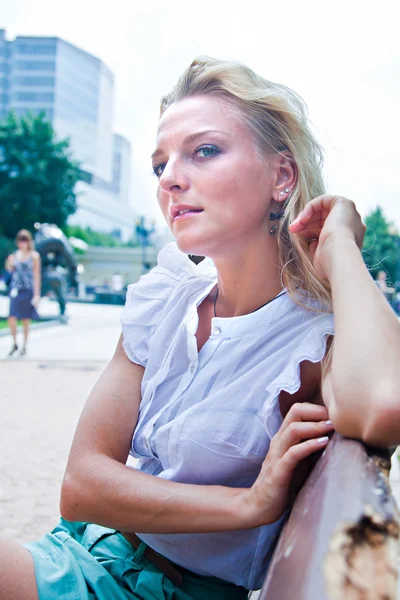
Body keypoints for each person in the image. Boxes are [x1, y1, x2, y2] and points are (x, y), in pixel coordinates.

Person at [1, 57, 400, 600]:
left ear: (282, 176)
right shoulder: (164, 296)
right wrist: (247, 504)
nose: (169, 178)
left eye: (204, 151)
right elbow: (81, 486)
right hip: (89, 550)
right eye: (160, 164)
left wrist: (340, 246)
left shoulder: (315, 337)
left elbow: (384, 403)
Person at [4, 229, 41, 357]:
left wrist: (37, 295)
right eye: (20, 240)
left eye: (24, 240)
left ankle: (24, 345)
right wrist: (8, 264)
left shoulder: (34, 256)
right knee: (11, 317)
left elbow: (37, 276)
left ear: (29, 241)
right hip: (16, 289)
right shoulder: (14, 256)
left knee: (25, 319)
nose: (22, 243)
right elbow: (10, 271)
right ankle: (15, 343)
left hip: (28, 290)